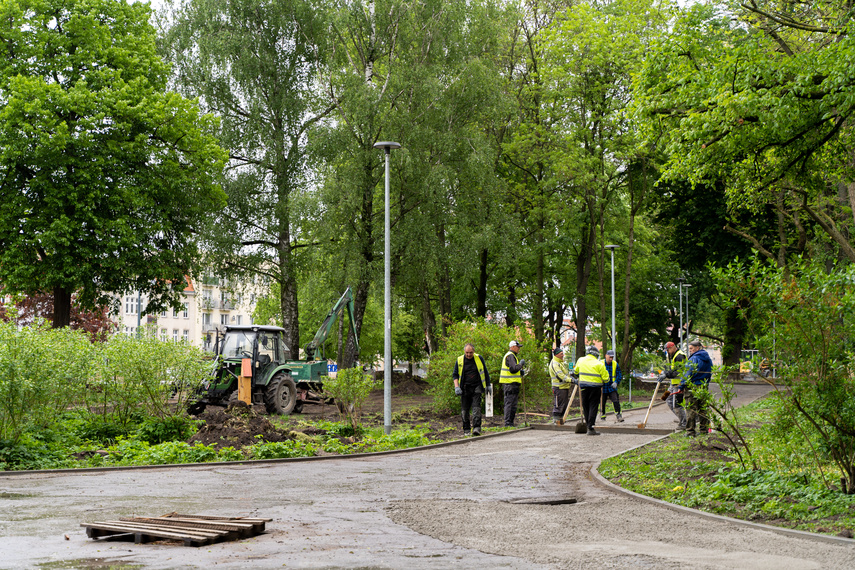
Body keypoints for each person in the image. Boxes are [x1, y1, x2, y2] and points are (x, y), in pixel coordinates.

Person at [452, 343, 492, 436]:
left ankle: (477, 428)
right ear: (464, 352)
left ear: (473, 351)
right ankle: (466, 429)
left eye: (470, 353)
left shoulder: (479, 358)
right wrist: (456, 387)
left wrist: (488, 385)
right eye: (467, 353)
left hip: (477, 387)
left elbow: (485, 371)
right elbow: (455, 375)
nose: (469, 355)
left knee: (476, 408)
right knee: (464, 410)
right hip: (465, 388)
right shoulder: (460, 360)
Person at [574, 345, 609, 435]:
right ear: (596, 354)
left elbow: (576, 372)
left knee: (586, 406)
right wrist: (605, 380)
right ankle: (590, 427)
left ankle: (588, 425)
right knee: (593, 406)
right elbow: (606, 378)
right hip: (595, 388)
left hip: (584, 387)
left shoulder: (580, 360)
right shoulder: (599, 364)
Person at [681, 339, 713, 437]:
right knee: (703, 408)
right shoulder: (708, 359)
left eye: (691, 348)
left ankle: (690, 432)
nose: (689, 350)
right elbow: (710, 371)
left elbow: (688, 373)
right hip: (703, 386)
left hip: (693, 386)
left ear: (697, 348)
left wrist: (682, 385)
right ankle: (704, 430)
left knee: (691, 409)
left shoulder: (694, 359)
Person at [499, 340, 526, 426]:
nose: (519, 349)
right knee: (510, 404)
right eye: (518, 347)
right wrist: (520, 365)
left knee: (512, 405)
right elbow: (513, 369)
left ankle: (510, 423)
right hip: (509, 384)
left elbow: (513, 370)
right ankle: (508, 423)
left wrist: (520, 371)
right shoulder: (510, 356)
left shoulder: (512, 356)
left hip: (511, 384)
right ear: (513, 347)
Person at [663, 341, 688, 431]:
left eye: (668, 349)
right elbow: (670, 368)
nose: (667, 351)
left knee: (676, 404)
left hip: (680, 383)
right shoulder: (670, 355)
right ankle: (681, 418)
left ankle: (684, 423)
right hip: (672, 383)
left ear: (673, 347)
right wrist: (664, 372)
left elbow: (678, 371)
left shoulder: (680, 356)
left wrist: (666, 374)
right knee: (665, 398)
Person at [548, 347, 574, 425]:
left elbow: (565, 374)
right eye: (561, 354)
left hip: (564, 387)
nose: (563, 355)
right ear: (556, 355)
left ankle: (561, 420)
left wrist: (571, 376)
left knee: (564, 405)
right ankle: (556, 421)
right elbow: (561, 376)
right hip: (558, 388)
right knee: (558, 405)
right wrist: (571, 380)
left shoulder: (560, 362)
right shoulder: (554, 364)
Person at [600, 350, 624, 422]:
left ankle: (618, 415)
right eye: (610, 357)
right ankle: (603, 415)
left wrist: (616, 382)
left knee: (615, 400)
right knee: (602, 402)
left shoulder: (615, 364)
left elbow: (619, 374)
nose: (611, 359)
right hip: (603, 386)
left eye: (612, 357)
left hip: (611, 386)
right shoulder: (600, 363)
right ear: (606, 356)